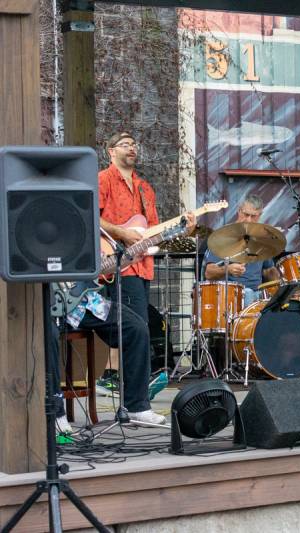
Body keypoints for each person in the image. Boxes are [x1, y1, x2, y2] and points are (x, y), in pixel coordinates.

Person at [96, 131, 196, 394]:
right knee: (134, 324)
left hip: (142, 265)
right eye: (125, 144)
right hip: (116, 261)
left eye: (133, 144)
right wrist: (121, 233)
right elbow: (91, 217)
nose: (132, 148)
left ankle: (125, 383)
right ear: (111, 151)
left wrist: (181, 230)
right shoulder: (103, 180)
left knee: (136, 323)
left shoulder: (145, 189)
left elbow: (153, 233)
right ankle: (133, 388)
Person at [49, 282, 165, 433]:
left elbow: (98, 270)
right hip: (46, 303)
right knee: (46, 334)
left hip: (85, 304)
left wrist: (123, 260)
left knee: (136, 328)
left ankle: (136, 407)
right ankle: (55, 413)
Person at [204, 195, 281, 306]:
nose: (249, 220)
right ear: (239, 211)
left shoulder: (261, 239)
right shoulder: (224, 236)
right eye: (246, 214)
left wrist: (282, 282)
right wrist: (227, 269)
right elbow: (209, 273)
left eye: (253, 216)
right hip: (233, 295)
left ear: (260, 215)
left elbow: (268, 270)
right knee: (248, 293)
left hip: (259, 294)